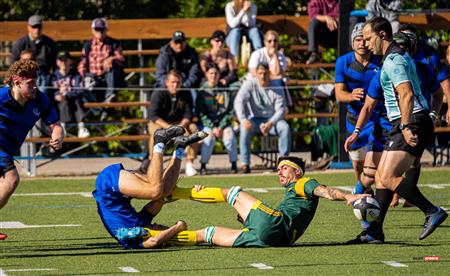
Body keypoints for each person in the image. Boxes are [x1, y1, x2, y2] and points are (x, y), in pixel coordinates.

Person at [344, 17, 447, 243]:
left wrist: (407, 125)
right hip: (406, 122)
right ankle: (374, 232)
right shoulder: (394, 58)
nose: (366, 43)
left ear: (382, 35)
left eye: (369, 38)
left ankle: (432, 211)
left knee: (387, 177)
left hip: (410, 121)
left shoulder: (394, 61)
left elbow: (407, 94)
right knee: (381, 179)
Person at [142, 156, 369, 247]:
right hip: (275, 239)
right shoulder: (294, 190)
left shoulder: (304, 182)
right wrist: (246, 219)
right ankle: (150, 236)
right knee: (206, 234)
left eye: (284, 168)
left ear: (297, 172)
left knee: (232, 193)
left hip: (276, 224)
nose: (279, 172)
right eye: (278, 168)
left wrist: (349, 196)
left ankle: (175, 193)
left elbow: (326, 192)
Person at [93, 126, 207, 249]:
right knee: (165, 191)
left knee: (155, 191)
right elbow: (163, 199)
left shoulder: (132, 241)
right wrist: (192, 191)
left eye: (162, 229)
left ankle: (159, 141)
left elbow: (153, 242)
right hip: (116, 188)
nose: (159, 225)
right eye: (164, 227)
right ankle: (179, 147)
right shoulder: (143, 223)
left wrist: (177, 227)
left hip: (108, 188)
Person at [0, 59, 64, 241]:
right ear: (16, 82)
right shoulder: (1, 97)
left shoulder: (40, 100)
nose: (35, 87)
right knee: (11, 179)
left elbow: (56, 126)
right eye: (30, 83)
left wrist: (56, 138)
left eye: (36, 82)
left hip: (7, 150)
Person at [334, 23, 381, 196]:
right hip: (354, 118)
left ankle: (392, 192)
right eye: (358, 39)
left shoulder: (380, 60)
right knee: (357, 163)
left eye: (365, 39)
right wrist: (351, 96)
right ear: (352, 42)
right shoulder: (343, 62)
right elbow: (339, 94)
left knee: (378, 159)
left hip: (377, 118)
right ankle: (365, 190)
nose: (361, 43)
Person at [234, 62, 291, 173]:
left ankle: (284, 162)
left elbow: (281, 110)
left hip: (272, 121)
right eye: (260, 73)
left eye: (265, 73)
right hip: (254, 120)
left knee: (285, 128)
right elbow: (238, 101)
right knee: (244, 128)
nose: (262, 76)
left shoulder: (277, 87)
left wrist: (270, 123)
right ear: (256, 73)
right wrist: (243, 119)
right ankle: (245, 164)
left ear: (269, 73)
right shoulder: (249, 84)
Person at [143, 70, 199, 176]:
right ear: (167, 82)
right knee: (156, 133)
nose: (175, 85)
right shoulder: (158, 93)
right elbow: (153, 115)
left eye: (178, 82)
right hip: (159, 123)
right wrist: (169, 128)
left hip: (179, 123)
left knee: (193, 128)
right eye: (173, 82)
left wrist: (180, 127)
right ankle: (153, 163)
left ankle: (189, 164)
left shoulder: (185, 93)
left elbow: (188, 115)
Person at [196, 64, 238, 175]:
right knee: (208, 139)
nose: (213, 76)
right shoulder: (202, 92)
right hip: (208, 125)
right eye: (211, 73)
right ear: (206, 75)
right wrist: (213, 127)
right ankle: (203, 165)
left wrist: (221, 126)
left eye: (216, 73)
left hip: (223, 124)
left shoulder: (225, 90)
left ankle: (234, 164)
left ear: (219, 75)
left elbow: (230, 111)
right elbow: (201, 113)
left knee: (229, 137)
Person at [77, 18, 125, 114]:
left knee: (113, 67)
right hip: (93, 78)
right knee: (80, 89)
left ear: (106, 30)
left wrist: (112, 58)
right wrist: (82, 76)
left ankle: (109, 96)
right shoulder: (87, 45)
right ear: (93, 31)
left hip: (108, 77)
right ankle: (102, 109)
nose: (99, 32)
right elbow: (83, 62)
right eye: (97, 29)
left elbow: (122, 59)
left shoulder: (114, 43)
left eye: (102, 29)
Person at [10, 15, 57, 96]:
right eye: (34, 27)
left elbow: (54, 63)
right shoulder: (20, 43)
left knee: (42, 91)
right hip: (22, 75)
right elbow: (13, 64)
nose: (37, 29)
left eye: (39, 27)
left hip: (43, 74)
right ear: (28, 27)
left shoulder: (49, 43)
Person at [51, 51, 90, 138]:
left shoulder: (76, 74)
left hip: (73, 100)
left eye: (65, 60)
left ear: (70, 61)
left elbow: (80, 90)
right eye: (61, 60)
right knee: (63, 102)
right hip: (60, 103)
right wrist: (57, 94)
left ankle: (81, 127)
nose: (63, 63)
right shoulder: (53, 76)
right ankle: (62, 128)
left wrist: (67, 95)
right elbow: (52, 91)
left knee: (77, 101)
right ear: (57, 62)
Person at [306, 0, 339, 64]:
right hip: (323, 38)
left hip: (340, 35)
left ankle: (351, 54)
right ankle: (314, 53)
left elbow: (346, 15)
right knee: (314, 22)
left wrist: (334, 19)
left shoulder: (342, 2)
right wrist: (327, 18)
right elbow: (313, 16)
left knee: (352, 20)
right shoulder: (315, 2)